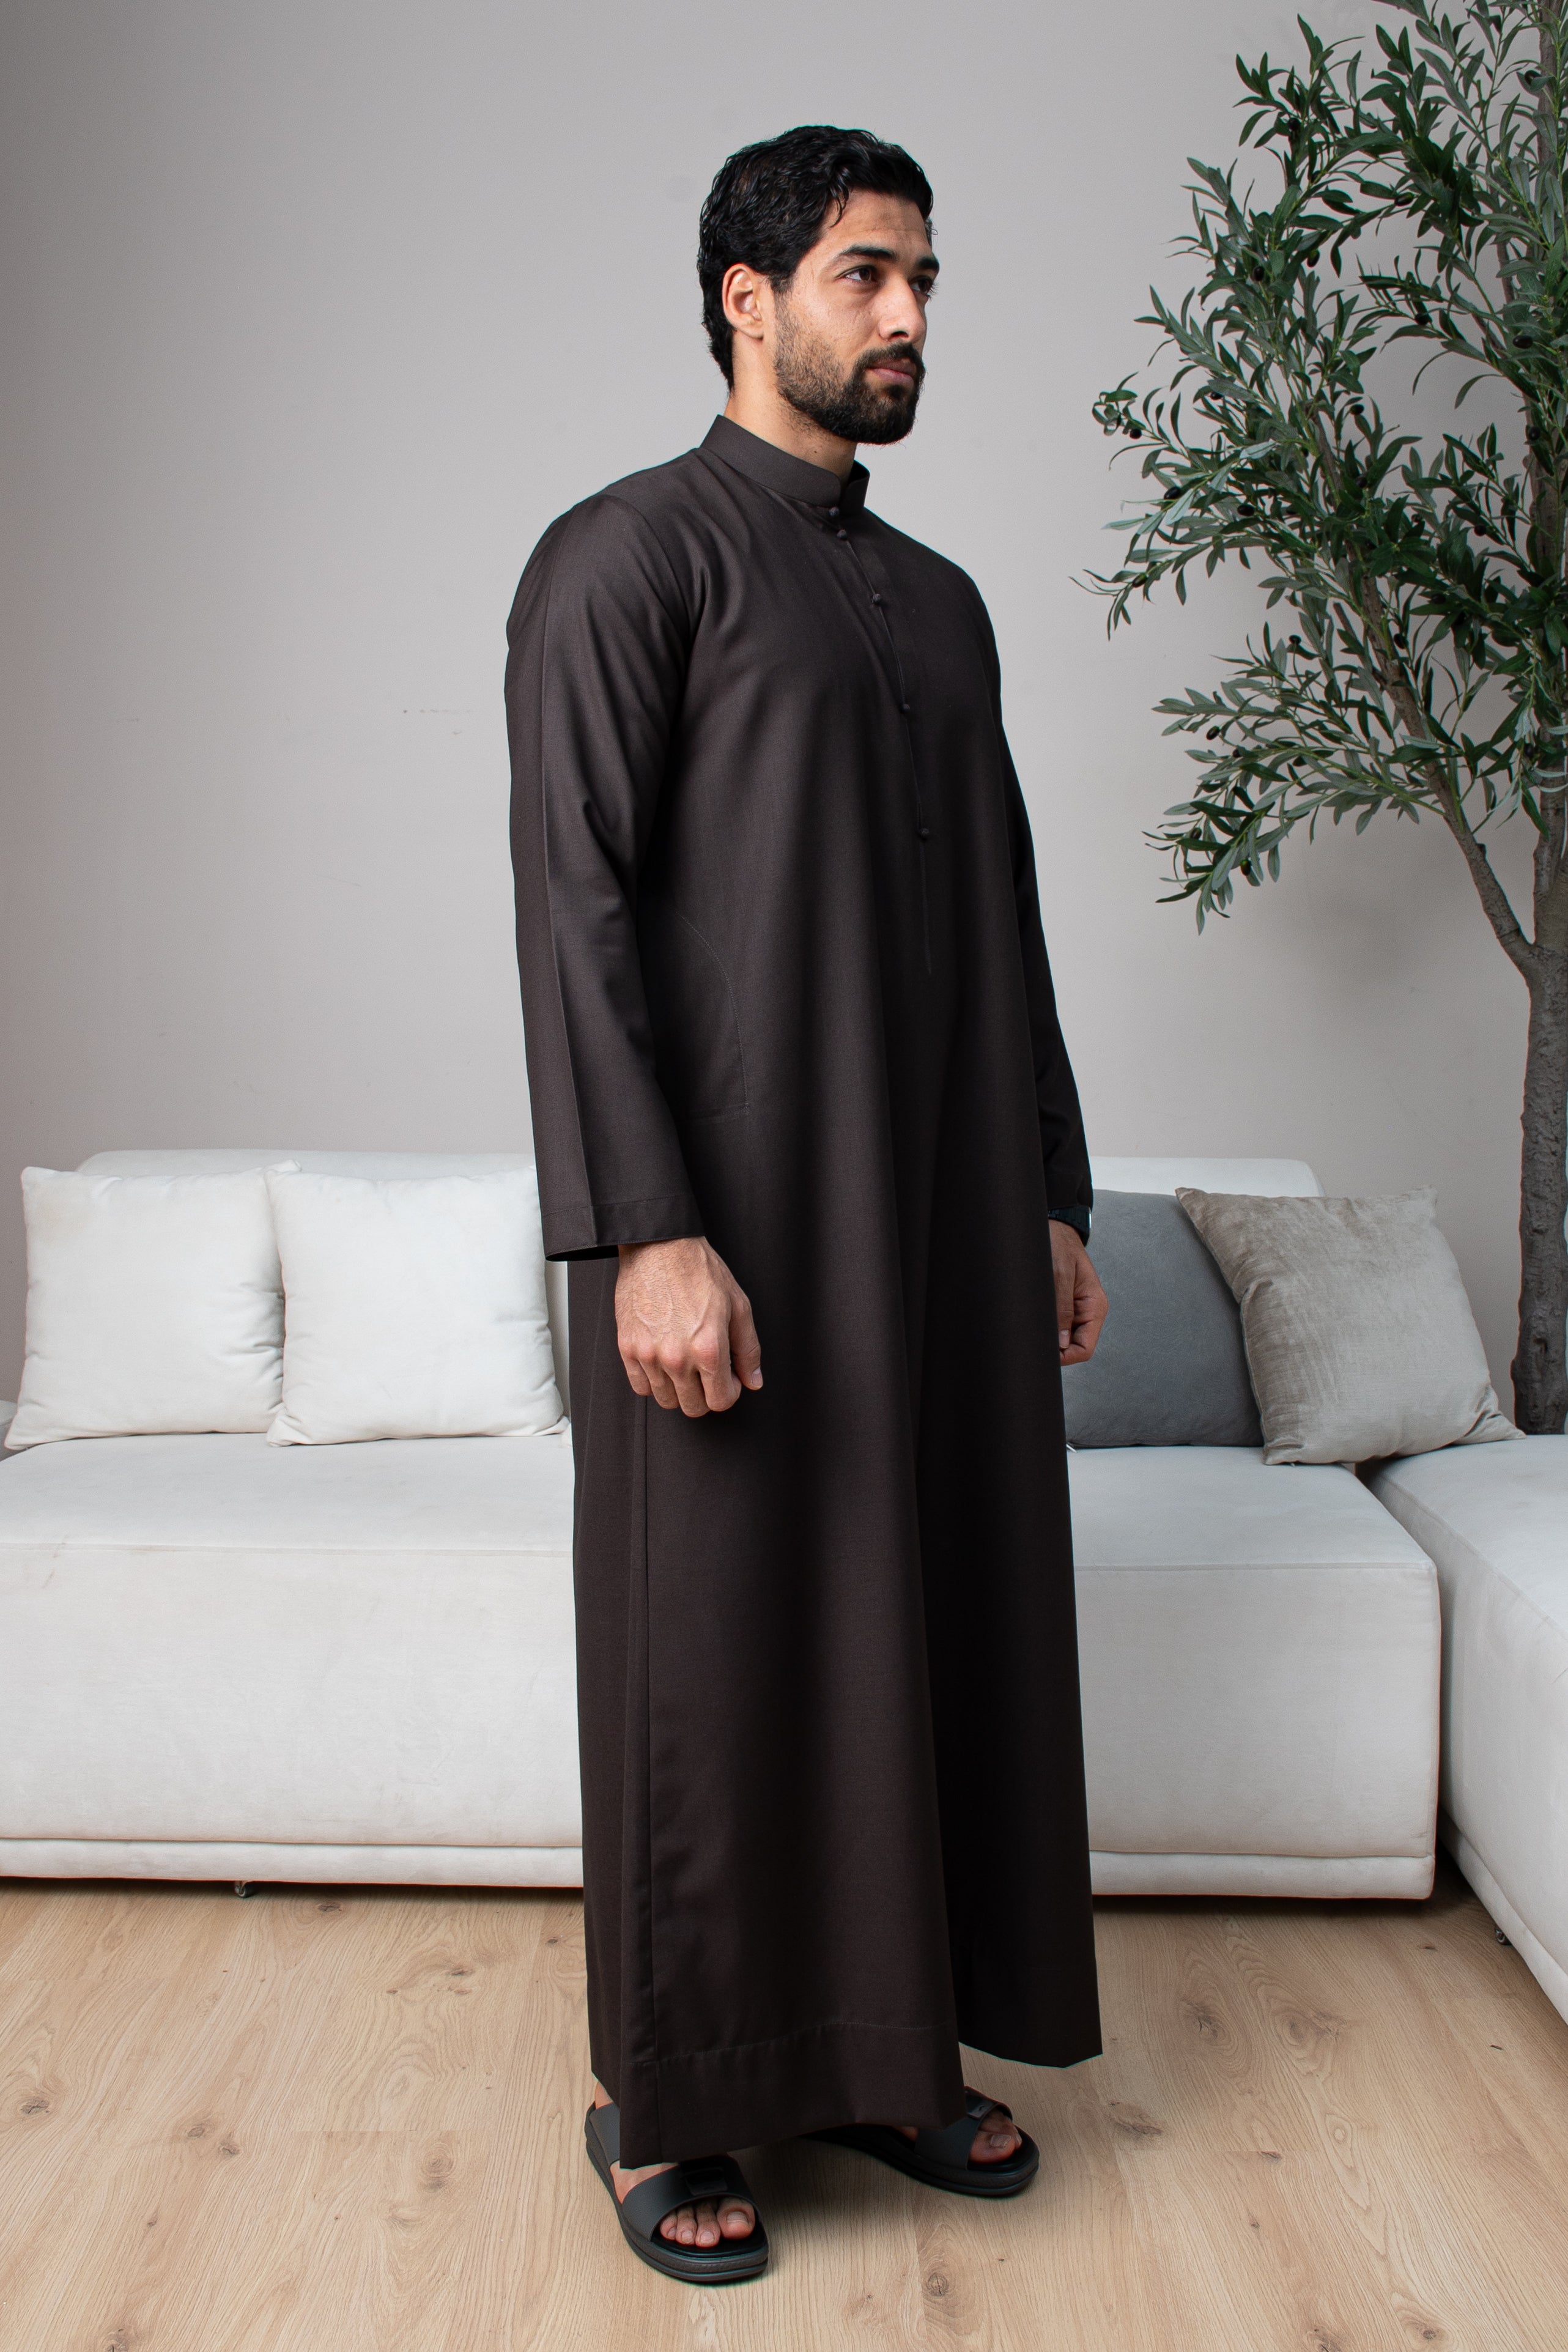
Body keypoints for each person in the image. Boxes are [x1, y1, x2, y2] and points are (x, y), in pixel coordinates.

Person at [506, 125, 1108, 2285]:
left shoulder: (937, 605)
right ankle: (666, 2106)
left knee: (924, 1618)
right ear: (746, 299)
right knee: (723, 1655)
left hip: (937, 1222)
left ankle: (884, 2056)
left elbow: (1005, 917)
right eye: (866, 276)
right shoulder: (626, 558)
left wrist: (1047, 1192)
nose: (908, 317)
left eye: (922, 279)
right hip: (731, 1229)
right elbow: (573, 906)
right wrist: (643, 1230)